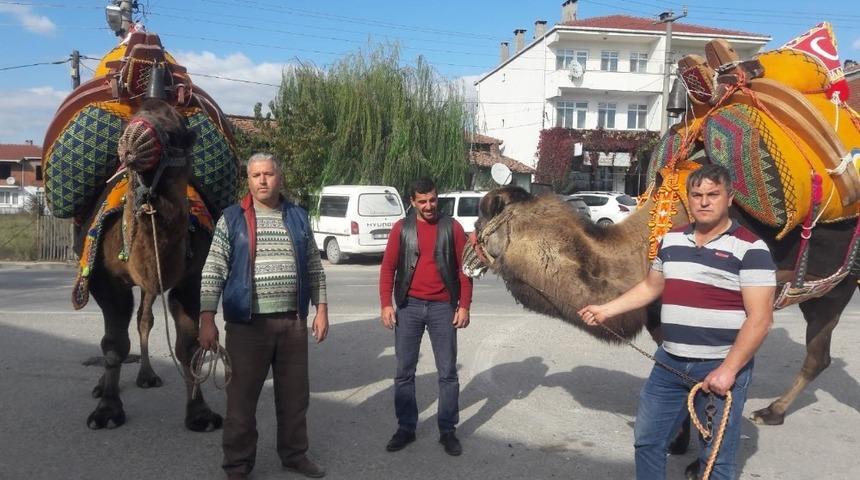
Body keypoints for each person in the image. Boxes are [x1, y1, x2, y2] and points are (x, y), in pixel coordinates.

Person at [578, 163, 776, 480]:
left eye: (713, 194)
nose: (704, 202)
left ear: (729, 198)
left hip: (718, 366)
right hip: (668, 363)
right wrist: (606, 309)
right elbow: (650, 287)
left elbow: (761, 319)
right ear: (688, 199)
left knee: (716, 459)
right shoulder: (671, 240)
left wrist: (728, 370)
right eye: (696, 195)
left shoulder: (751, 249)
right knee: (647, 441)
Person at [198, 152, 329, 480]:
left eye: (268, 174)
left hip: (292, 323)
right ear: (248, 180)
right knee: (241, 402)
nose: (263, 180)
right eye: (256, 175)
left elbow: (314, 265)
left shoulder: (298, 217)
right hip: (247, 326)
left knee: (295, 398)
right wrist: (207, 318)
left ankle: (294, 455)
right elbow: (213, 269)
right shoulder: (232, 219)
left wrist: (321, 309)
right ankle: (237, 465)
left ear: (279, 177)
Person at [378, 177, 474, 456]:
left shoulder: (452, 227)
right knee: (404, 372)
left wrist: (464, 305)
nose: (429, 206)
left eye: (432, 200)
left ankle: (448, 430)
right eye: (422, 201)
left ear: (437, 197)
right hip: (408, 307)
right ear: (412, 202)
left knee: (447, 373)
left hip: (443, 308)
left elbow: (465, 270)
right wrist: (386, 305)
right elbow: (388, 268)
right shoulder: (402, 229)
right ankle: (406, 428)